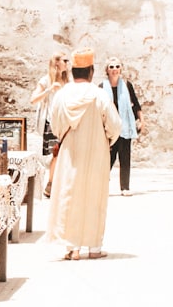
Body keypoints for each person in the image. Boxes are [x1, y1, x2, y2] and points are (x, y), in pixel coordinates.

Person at [45, 49, 121, 260]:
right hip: (97, 155)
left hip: (70, 154)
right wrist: (105, 141)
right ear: (91, 71)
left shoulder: (62, 95)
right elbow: (114, 126)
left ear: (73, 72)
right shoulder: (100, 95)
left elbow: (55, 124)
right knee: (94, 198)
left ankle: (73, 247)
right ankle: (94, 247)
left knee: (70, 196)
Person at [100, 57, 143, 196]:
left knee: (125, 157)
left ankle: (125, 187)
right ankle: (100, 186)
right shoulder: (101, 87)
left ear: (121, 69)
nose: (114, 69)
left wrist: (142, 120)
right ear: (107, 70)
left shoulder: (126, 85)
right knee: (108, 158)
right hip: (109, 128)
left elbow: (135, 104)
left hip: (125, 126)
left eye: (117, 66)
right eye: (111, 67)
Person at [31, 52, 69, 197]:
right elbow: (33, 99)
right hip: (51, 123)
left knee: (64, 154)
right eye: (65, 60)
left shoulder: (67, 82)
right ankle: (51, 184)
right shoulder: (46, 80)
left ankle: (55, 184)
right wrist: (49, 90)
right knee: (56, 154)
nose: (67, 63)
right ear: (57, 63)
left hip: (66, 123)